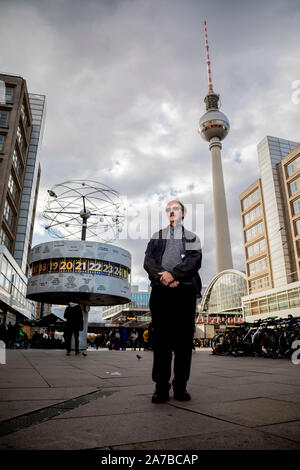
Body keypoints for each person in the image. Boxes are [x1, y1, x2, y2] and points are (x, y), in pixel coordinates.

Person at [144, 200, 202, 403]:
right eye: (168, 209)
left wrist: (175, 276)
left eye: (175, 208)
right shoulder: (156, 237)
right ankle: (161, 388)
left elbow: (195, 261)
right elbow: (148, 261)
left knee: (184, 343)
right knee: (161, 342)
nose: (171, 211)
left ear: (183, 213)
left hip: (184, 293)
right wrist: (164, 277)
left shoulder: (193, 238)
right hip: (161, 292)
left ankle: (180, 387)